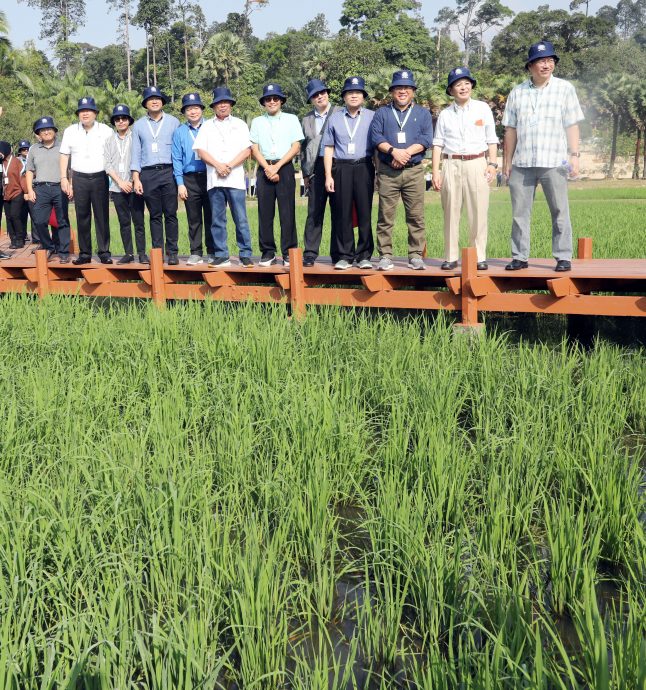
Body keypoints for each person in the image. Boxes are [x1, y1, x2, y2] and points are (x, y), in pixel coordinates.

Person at [502, 40, 584, 272]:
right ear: (530, 66)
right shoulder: (517, 92)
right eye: (540, 61)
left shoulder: (565, 89)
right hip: (523, 162)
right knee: (519, 213)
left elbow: (572, 125)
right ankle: (519, 256)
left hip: (554, 160)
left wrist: (575, 156)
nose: (546, 65)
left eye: (549, 60)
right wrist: (506, 163)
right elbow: (510, 130)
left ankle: (563, 256)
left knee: (559, 211)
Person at [432, 67, 499, 271]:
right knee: (451, 211)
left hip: (477, 163)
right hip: (451, 164)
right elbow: (437, 144)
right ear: (451, 90)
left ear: (471, 86)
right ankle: (451, 256)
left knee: (478, 211)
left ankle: (479, 256)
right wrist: (436, 171)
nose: (463, 87)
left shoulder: (482, 109)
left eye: (466, 83)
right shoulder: (445, 114)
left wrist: (493, 164)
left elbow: (491, 139)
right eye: (458, 84)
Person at [370, 70, 434, 271]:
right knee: (385, 216)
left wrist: (404, 153)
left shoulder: (423, 113)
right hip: (388, 172)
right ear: (392, 91)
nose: (403, 91)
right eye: (398, 88)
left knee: (415, 216)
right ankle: (385, 256)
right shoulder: (382, 113)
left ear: (413, 91)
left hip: (414, 171)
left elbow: (426, 139)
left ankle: (415, 255)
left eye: (407, 87)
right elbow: (376, 137)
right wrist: (393, 152)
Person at [193, 86, 254, 267]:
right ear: (213, 106)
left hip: (235, 179)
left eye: (226, 102)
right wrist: (218, 165)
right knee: (217, 219)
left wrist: (229, 165)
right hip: (215, 179)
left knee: (240, 218)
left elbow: (247, 150)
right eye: (219, 103)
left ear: (231, 105)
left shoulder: (240, 124)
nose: (222, 106)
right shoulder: (206, 126)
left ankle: (245, 254)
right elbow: (201, 151)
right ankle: (221, 254)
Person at [323, 76, 375, 270]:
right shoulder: (335, 119)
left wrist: (378, 173)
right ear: (344, 96)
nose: (354, 95)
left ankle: (364, 255)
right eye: (350, 92)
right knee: (342, 212)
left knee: (364, 211)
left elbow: (378, 147)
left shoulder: (372, 116)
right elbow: (329, 148)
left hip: (364, 166)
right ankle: (345, 255)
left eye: (357, 92)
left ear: (363, 96)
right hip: (342, 167)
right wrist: (329, 175)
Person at [250, 83, 304, 267]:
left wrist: (278, 166)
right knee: (265, 213)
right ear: (264, 102)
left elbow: (296, 146)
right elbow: (254, 148)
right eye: (268, 99)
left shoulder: (291, 119)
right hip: (264, 167)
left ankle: (289, 252)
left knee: (287, 212)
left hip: (285, 166)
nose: (272, 101)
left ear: (281, 101)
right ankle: (267, 252)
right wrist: (267, 168)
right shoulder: (257, 121)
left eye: (275, 98)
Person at [59, 96, 113, 264]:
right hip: (79, 178)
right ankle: (84, 254)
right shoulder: (70, 131)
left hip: (100, 177)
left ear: (95, 113)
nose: (85, 114)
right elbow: (64, 155)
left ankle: (104, 252)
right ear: (78, 114)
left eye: (88, 110)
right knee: (82, 216)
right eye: (82, 111)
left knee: (102, 216)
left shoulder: (106, 130)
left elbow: (113, 156)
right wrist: (64, 178)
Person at [131, 86, 180, 265]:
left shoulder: (174, 122)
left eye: (157, 98)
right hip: (148, 173)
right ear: (145, 103)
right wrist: (136, 178)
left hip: (169, 171)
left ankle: (173, 252)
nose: (154, 101)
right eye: (150, 98)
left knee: (171, 213)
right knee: (155, 215)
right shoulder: (138, 125)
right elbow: (135, 154)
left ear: (162, 101)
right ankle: (158, 252)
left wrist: (179, 177)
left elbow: (179, 150)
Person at [301, 78, 342, 267]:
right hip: (316, 168)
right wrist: (305, 174)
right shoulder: (307, 119)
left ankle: (338, 253)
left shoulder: (340, 113)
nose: (320, 97)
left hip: (338, 165)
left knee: (339, 211)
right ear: (311, 99)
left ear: (327, 93)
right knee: (314, 212)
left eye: (322, 93)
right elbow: (303, 148)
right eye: (315, 95)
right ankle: (310, 253)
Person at [172, 92, 216, 266]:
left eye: (196, 108)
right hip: (189, 178)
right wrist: (180, 184)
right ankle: (196, 252)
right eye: (189, 109)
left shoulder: (211, 127)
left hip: (210, 175)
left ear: (202, 110)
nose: (193, 112)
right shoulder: (179, 132)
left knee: (212, 215)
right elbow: (176, 159)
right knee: (194, 217)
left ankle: (213, 251)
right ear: (184, 112)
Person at [104, 104, 147, 264]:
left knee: (139, 221)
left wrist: (132, 181)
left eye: (124, 118)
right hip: (117, 187)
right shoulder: (109, 140)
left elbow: (142, 159)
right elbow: (107, 164)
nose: (121, 121)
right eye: (117, 119)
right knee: (124, 222)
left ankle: (142, 253)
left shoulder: (136, 137)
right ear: (114, 122)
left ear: (129, 120)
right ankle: (129, 253)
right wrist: (121, 182)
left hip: (135, 186)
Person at [24, 117, 71, 262]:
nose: (46, 132)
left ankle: (63, 252)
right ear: (38, 133)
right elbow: (30, 170)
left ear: (54, 131)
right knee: (39, 220)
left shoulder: (63, 147)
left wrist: (71, 184)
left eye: (49, 129)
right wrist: (30, 190)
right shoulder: (33, 149)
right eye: (43, 130)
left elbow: (71, 169)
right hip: (41, 188)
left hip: (59, 187)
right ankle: (49, 247)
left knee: (62, 220)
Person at [1, 141, 27, 249]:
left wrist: (26, 192)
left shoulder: (16, 162)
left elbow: (22, 177)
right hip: (5, 194)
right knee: (8, 217)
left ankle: (20, 239)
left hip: (17, 192)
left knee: (15, 215)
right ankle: (13, 239)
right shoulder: (1, 162)